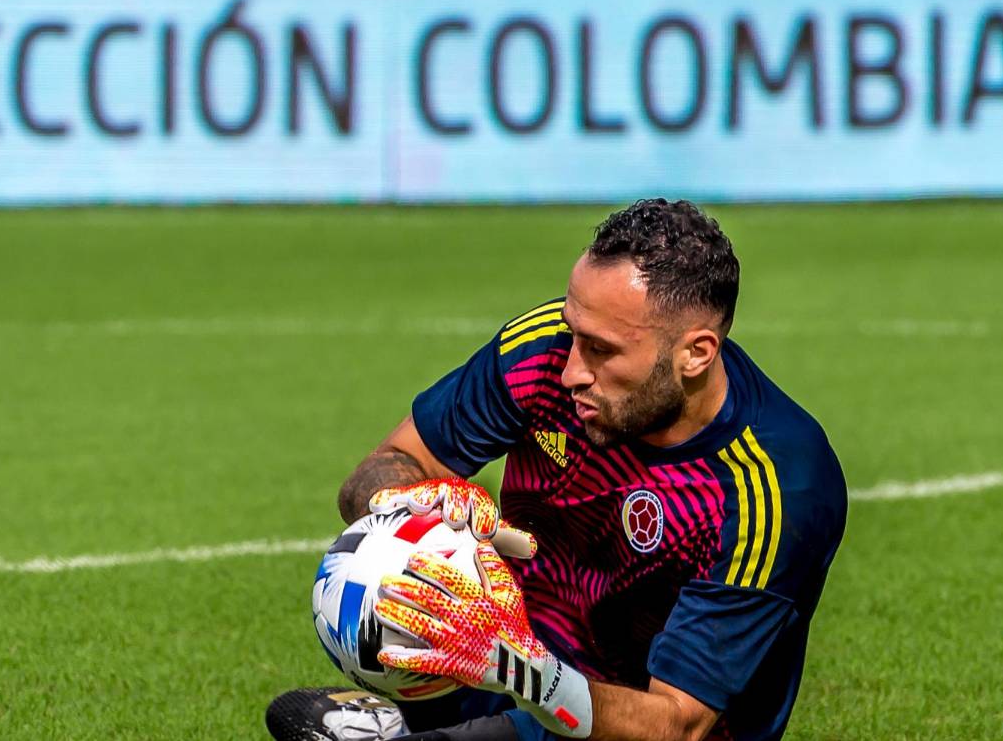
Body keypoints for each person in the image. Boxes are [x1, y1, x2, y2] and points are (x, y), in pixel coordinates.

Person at [268, 199, 847, 741]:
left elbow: (678, 724)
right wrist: (421, 503)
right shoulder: (545, 347)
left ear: (695, 353)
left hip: (623, 723)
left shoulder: (776, 486)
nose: (570, 370)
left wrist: (525, 673)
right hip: (501, 666)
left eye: (601, 350)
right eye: (573, 332)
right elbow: (377, 474)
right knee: (297, 712)